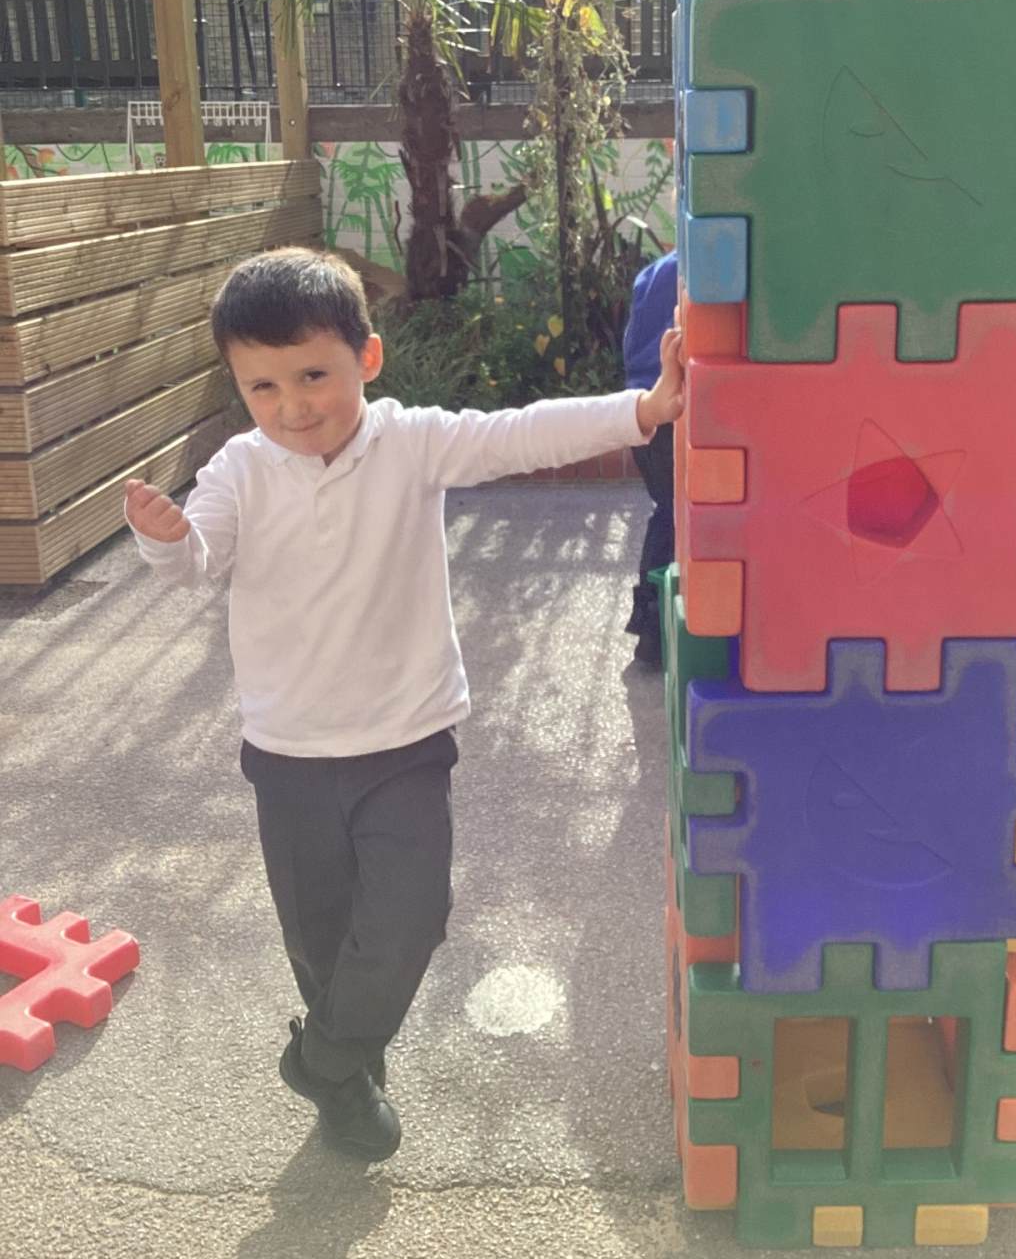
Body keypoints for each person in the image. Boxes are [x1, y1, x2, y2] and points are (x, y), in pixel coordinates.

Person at [124, 246, 684, 1163]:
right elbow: (197, 563)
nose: (293, 406)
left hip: (405, 742)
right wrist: (165, 539)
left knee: (410, 916)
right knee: (321, 941)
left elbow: (519, 434)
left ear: (367, 359)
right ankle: (349, 1084)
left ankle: (321, 1060)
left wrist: (643, 409)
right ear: (238, 385)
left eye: (314, 375)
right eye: (263, 387)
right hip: (288, 755)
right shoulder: (238, 470)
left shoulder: (410, 443)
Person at [622, 249, 679, 668]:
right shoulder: (701, 268)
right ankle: (658, 630)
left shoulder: (651, 274)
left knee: (667, 511)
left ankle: (649, 622)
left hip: (640, 403)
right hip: (676, 405)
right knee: (681, 515)